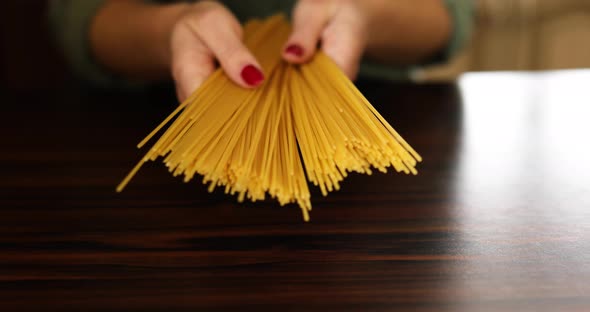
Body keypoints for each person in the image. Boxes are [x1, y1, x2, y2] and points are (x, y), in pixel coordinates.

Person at [50, 0, 474, 101]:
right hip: (154, 111)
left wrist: (363, 16)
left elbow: (452, 16)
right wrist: (168, 32)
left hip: (374, 111)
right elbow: (78, 18)